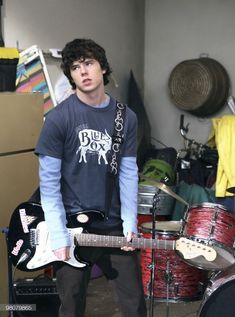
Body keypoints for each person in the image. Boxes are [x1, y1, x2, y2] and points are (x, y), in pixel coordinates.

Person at [35, 38, 147, 317]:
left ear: (103, 68)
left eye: (88, 63)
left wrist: (130, 221)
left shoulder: (126, 117)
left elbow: (129, 172)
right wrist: (59, 234)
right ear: (70, 76)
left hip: (114, 227)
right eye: (75, 67)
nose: (83, 71)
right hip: (72, 229)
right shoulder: (58, 119)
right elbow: (48, 185)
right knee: (71, 306)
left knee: (134, 305)